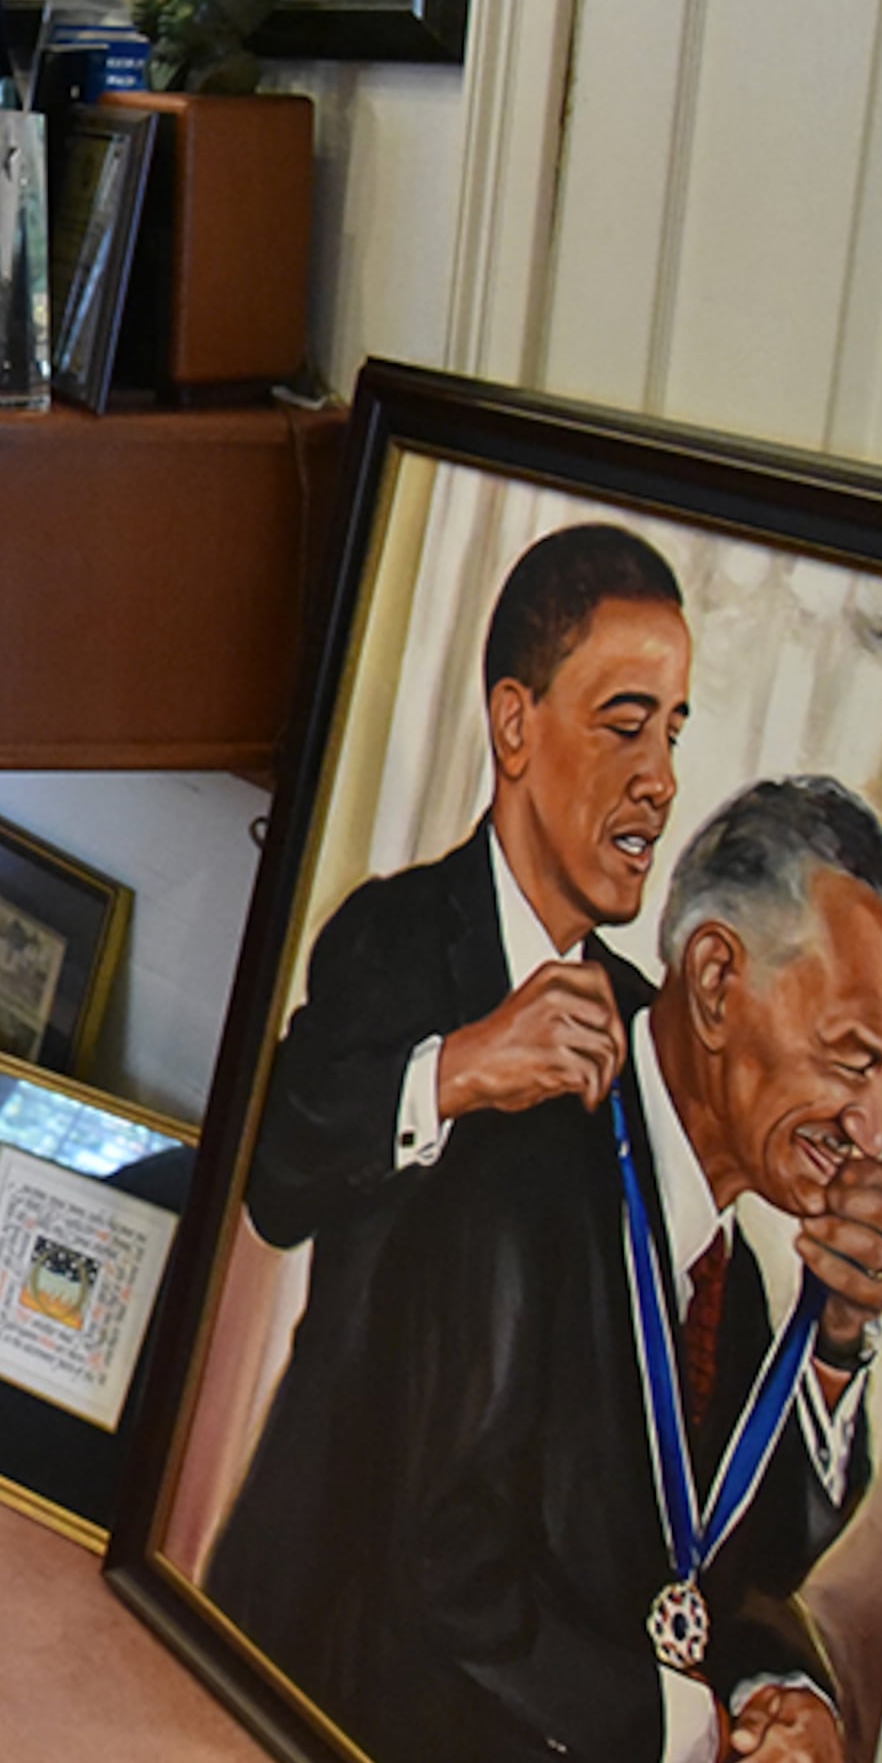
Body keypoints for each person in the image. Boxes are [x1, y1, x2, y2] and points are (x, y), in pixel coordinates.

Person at [243, 778, 882, 1763]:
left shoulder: (746, 1282)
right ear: (715, 980)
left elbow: (730, 1566)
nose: (871, 1124)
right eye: (850, 1059)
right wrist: (700, 1735)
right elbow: (447, 1582)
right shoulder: (513, 1163)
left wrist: (788, 1703)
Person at [207, 526, 690, 1684]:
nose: (661, 778)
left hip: (509, 1665)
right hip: (321, 1618)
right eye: (626, 724)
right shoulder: (394, 933)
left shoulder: (645, 1015)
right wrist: (461, 1067)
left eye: (675, 733)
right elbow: (274, 1177)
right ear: (514, 723)